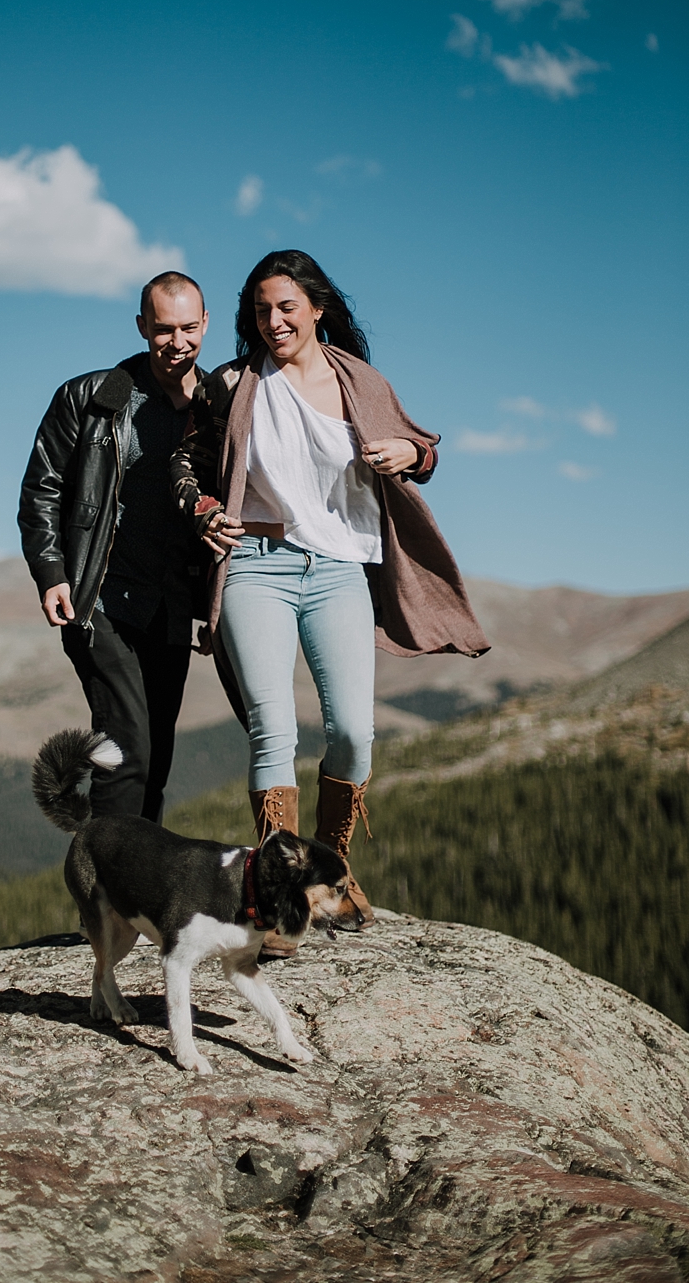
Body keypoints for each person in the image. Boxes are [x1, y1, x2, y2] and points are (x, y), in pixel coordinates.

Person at [172, 250, 488, 940]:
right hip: (256, 563)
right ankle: (280, 891)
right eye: (260, 310)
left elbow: (422, 448)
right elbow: (186, 464)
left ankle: (330, 867)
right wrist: (200, 510)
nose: (273, 320)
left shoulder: (359, 382)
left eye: (286, 307)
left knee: (351, 730)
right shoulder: (231, 382)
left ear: (317, 308)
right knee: (272, 729)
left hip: (340, 568)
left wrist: (411, 455)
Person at [18, 272, 210, 823]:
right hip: (99, 598)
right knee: (127, 748)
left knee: (157, 755)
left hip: (172, 606)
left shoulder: (219, 405)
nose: (177, 343)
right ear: (142, 326)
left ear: (205, 324)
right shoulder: (89, 398)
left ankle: (137, 889)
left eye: (189, 329)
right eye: (164, 330)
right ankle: (106, 900)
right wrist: (51, 571)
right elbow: (43, 487)